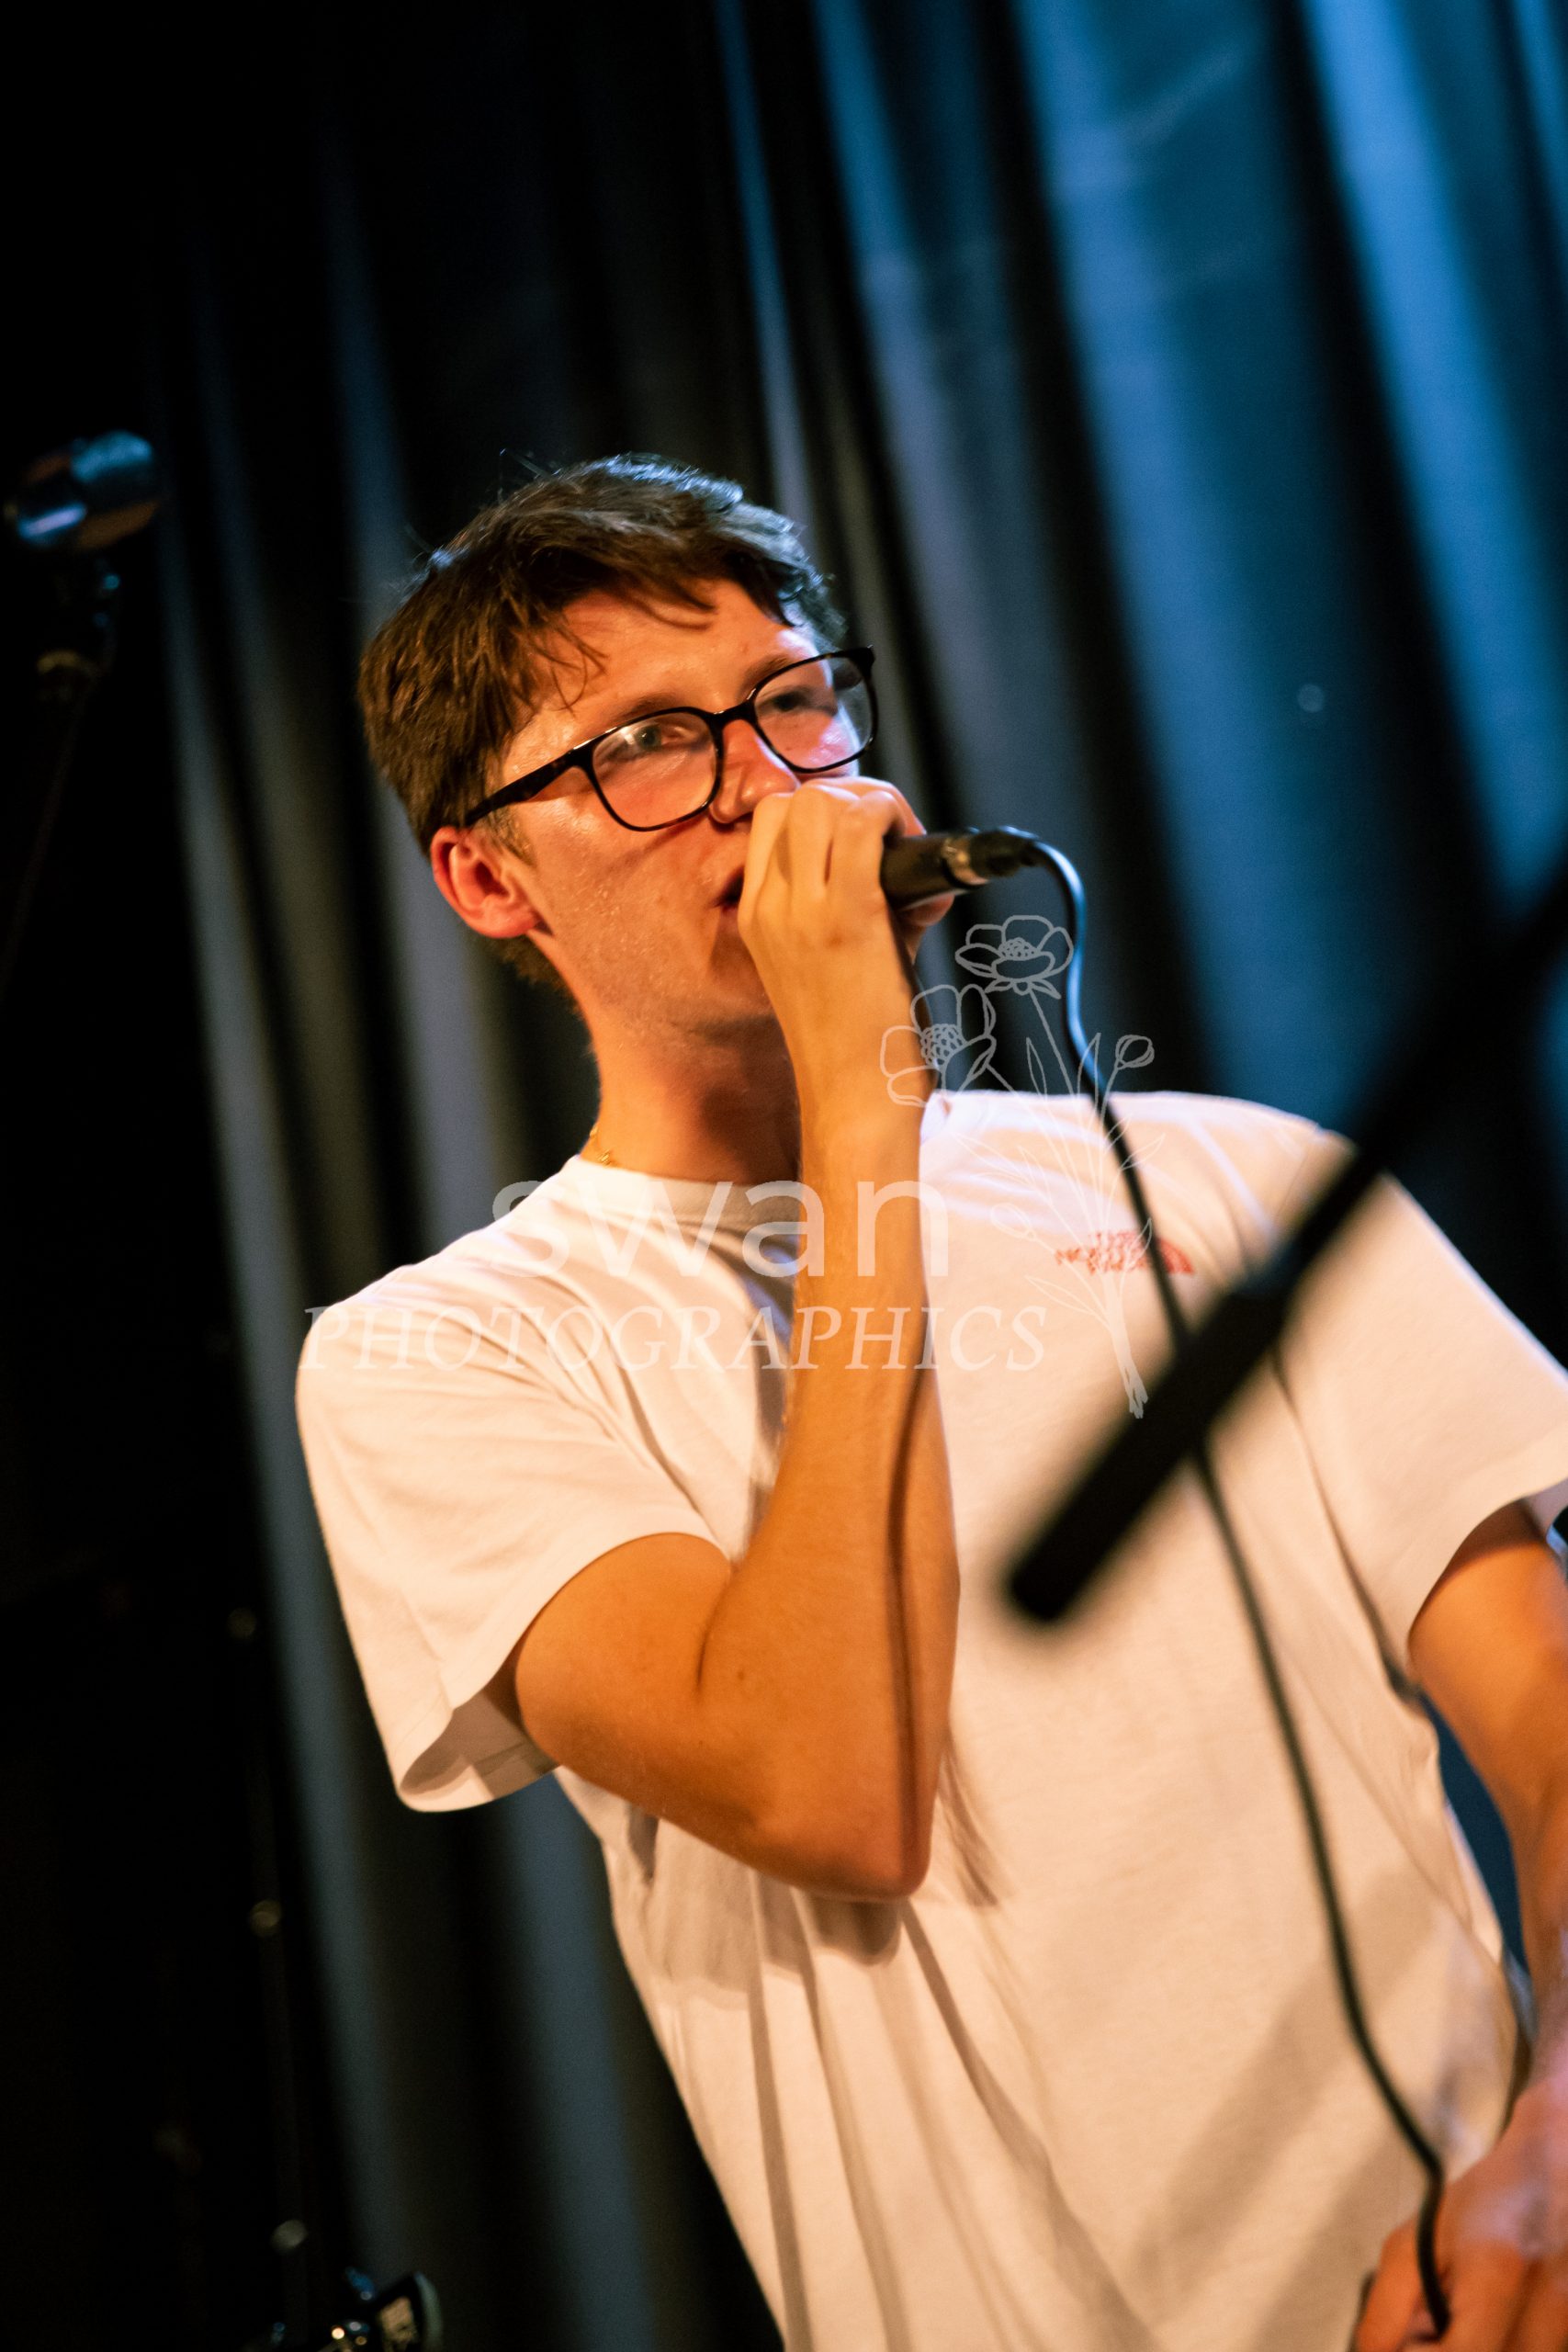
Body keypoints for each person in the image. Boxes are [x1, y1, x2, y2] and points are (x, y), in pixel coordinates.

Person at [297, 456, 1568, 2351]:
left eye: (790, 699)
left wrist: (1553, 2152)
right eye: (647, 743)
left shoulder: (1235, 1182)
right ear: (488, 877)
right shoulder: (447, 1351)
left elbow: (1551, 1730)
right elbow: (823, 1787)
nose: (763, 782)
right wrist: (861, 1104)